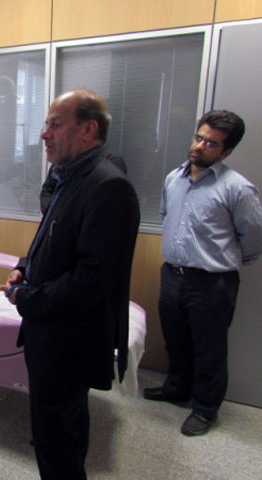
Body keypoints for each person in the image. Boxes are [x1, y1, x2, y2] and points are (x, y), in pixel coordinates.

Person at [1, 89, 140, 479]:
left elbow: (91, 279)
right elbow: (52, 236)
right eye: (46, 123)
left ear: (88, 130)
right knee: (65, 428)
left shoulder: (107, 186)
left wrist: (27, 298)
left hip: (68, 342)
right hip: (54, 335)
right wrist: (24, 267)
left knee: (56, 442)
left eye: (55, 124)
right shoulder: (68, 175)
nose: (43, 133)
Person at [143, 110, 262, 436]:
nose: (199, 146)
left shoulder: (237, 188)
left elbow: (253, 236)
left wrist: (225, 261)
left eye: (211, 143)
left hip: (212, 282)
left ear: (227, 151)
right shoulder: (174, 177)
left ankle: (205, 408)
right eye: (199, 137)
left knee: (210, 349)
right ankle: (177, 388)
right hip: (172, 275)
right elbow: (166, 214)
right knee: (176, 340)